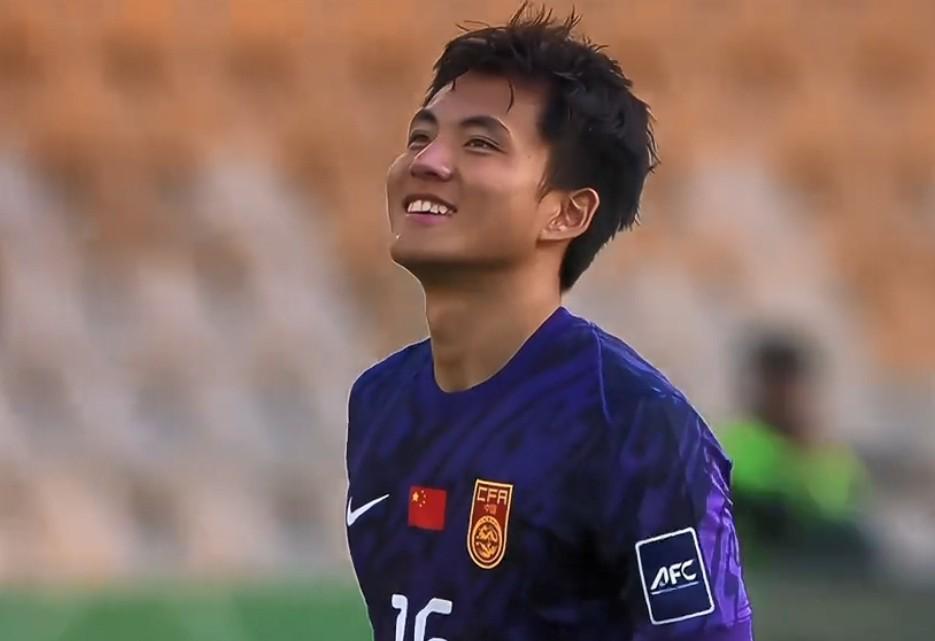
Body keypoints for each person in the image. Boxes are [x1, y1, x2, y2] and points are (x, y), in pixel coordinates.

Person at [345, 6, 753, 640]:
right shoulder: (379, 401)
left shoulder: (634, 426)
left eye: (480, 144)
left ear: (567, 214)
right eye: (420, 136)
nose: (426, 161)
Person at [719, 331, 870, 568]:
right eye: (776, 383)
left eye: (793, 383)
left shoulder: (836, 461)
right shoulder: (736, 445)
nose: (787, 395)